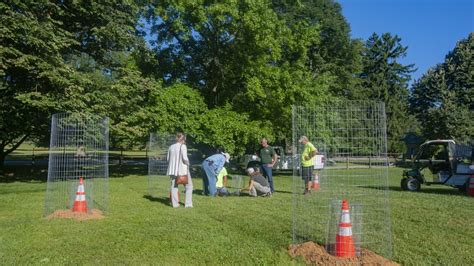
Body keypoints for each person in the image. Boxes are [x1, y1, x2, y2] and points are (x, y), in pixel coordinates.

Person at [167, 133, 193, 208]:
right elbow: (185, 158)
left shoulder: (171, 147)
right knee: (189, 186)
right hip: (182, 169)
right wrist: (188, 164)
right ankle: (188, 204)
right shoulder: (183, 146)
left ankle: (175, 204)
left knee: (174, 186)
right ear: (183, 139)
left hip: (172, 170)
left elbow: (168, 159)